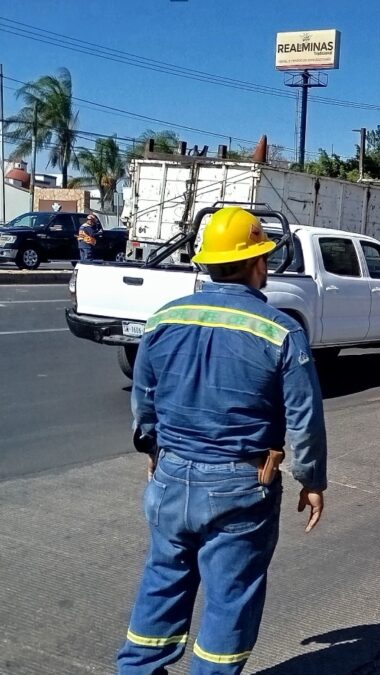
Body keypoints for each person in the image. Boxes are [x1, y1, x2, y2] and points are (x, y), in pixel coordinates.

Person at [117, 207, 327, 675]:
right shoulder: (280, 330)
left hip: (170, 476)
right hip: (238, 487)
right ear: (258, 263)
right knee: (231, 599)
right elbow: (304, 417)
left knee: (163, 580)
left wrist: (153, 448)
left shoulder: (163, 319)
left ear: (207, 262)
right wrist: (311, 480)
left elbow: (143, 398)